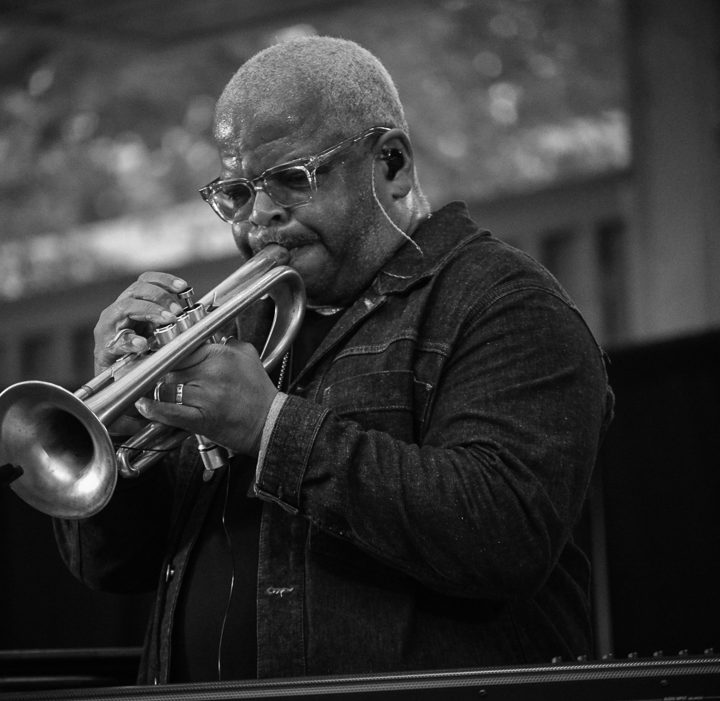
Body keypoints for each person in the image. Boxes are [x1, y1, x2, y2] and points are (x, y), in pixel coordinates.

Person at [55, 36, 614, 685]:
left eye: (293, 178)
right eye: (236, 192)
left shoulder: (503, 304)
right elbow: (113, 568)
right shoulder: (239, 330)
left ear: (393, 164)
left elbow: (504, 531)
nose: (260, 216)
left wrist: (268, 429)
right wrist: (119, 434)